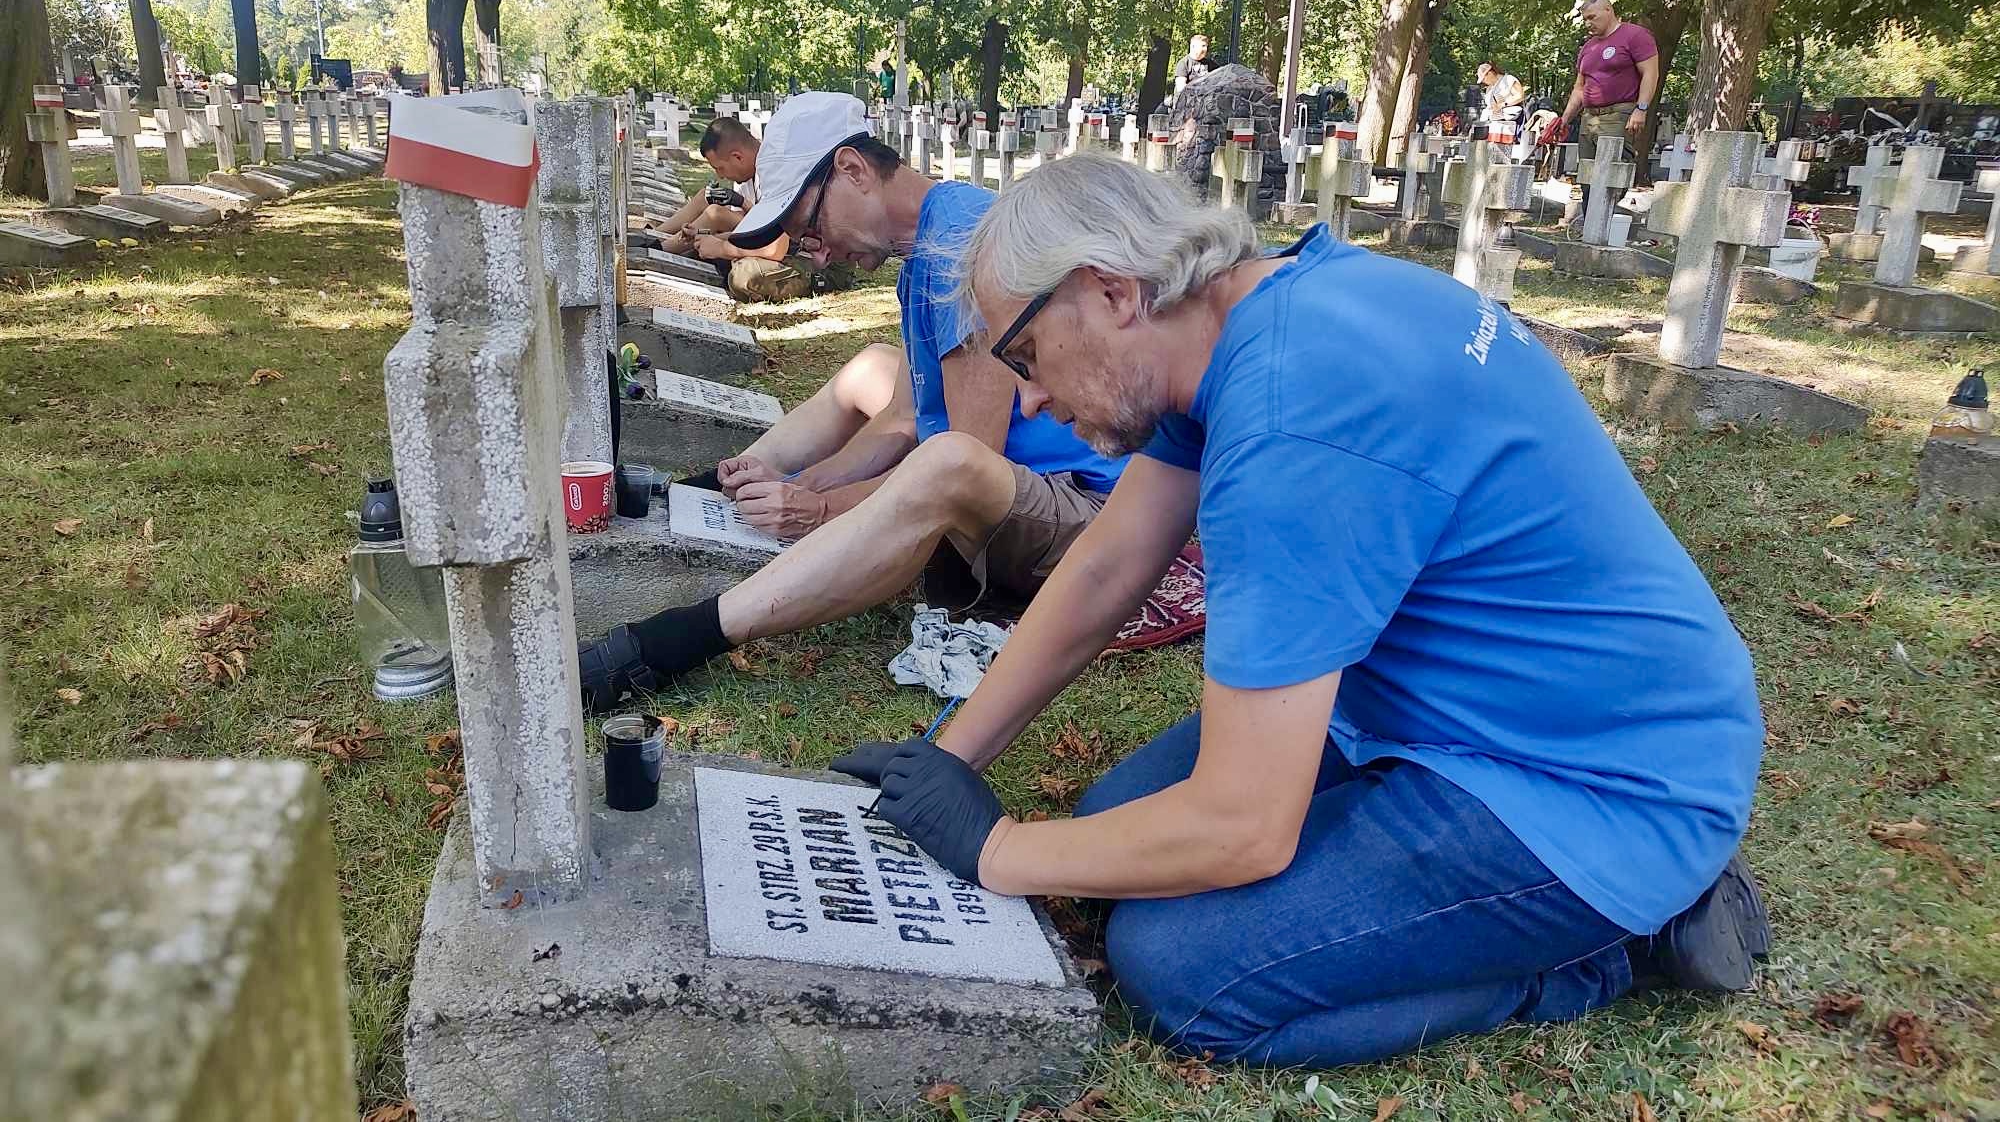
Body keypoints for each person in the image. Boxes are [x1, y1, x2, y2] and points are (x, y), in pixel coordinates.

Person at [830, 154, 1771, 1067]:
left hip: (1598, 784)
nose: (1028, 394)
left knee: (1181, 969)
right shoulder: (1251, 311)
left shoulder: (1290, 426)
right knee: (1115, 823)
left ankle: (1602, 955)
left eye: (1026, 353)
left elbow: (1243, 824)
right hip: (1477, 707)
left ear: (1112, 291)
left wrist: (995, 849)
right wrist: (951, 756)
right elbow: (1107, 565)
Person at [577, 94, 1127, 713]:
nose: (816, 251)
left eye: (809, 226)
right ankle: (711, 491)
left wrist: (818, 510)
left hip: (1090, 510)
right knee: (871, 368)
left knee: (945, 464)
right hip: (1021, 478)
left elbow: (965, 455)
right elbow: (903, 416)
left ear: (853, 170)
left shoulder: (963, 250)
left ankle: (683, 637)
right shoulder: (927, 247)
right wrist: (804, 483)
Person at [640, 117, 814, 303]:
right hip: (784, 244)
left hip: (811, 258)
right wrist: (706, 236)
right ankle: (656, 247)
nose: (720, 175)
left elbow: (774, 249)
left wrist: (722, 248)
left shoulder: (778, 171)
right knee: (707, 237)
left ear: (737, 157)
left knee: (743, 278)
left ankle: (658, 248)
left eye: (720, 168)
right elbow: (754, 226)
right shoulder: (755, 168)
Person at [1557, 0, 1658, 158]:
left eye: (1592, 17)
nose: (1588, 24)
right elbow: (1579, 88)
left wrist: (1641, 109)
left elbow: (1650, 73)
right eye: (1585, 19)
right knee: (1586, 174)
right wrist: (1564, 120)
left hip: (1618, 115)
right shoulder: (1588, 47)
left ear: (1608, 10)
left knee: (1611, 172)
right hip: (1589, 118)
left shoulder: (1635, 35)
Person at [1477, 60, 1527, 133]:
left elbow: (1520, 96)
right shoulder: (1489, 88)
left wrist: (1503, 104)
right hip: (1492, 123)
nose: (1483, 82)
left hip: (1510, 123)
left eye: (1483, 79)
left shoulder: (1509, 79)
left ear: (1490, 73)